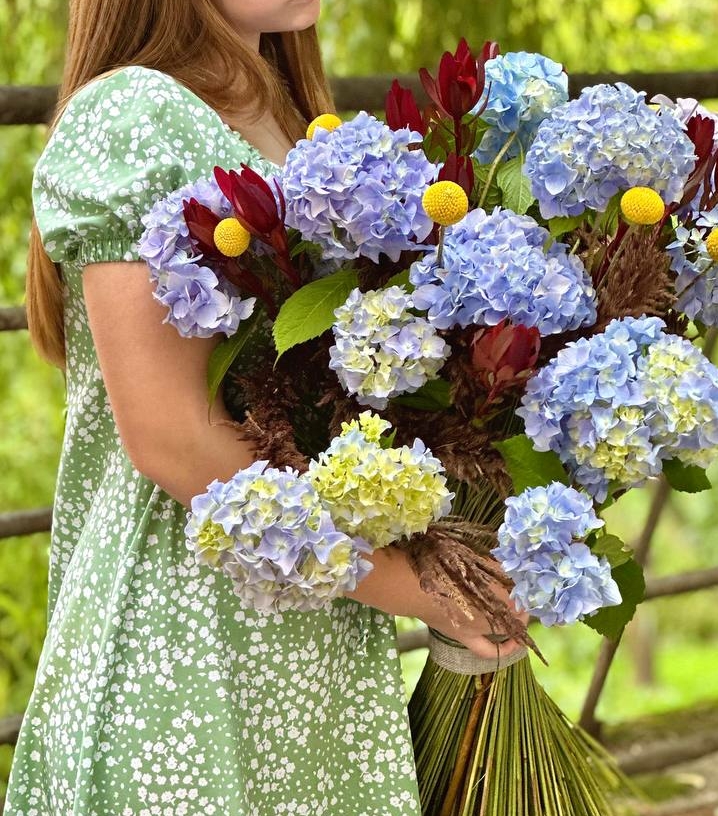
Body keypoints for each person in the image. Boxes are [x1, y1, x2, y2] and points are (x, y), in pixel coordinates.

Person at [7, 1, 526, 813]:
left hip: (312, 634)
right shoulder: (135, 112)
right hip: (187, 647)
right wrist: (423, 586)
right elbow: (172, 438)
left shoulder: (283, 108)